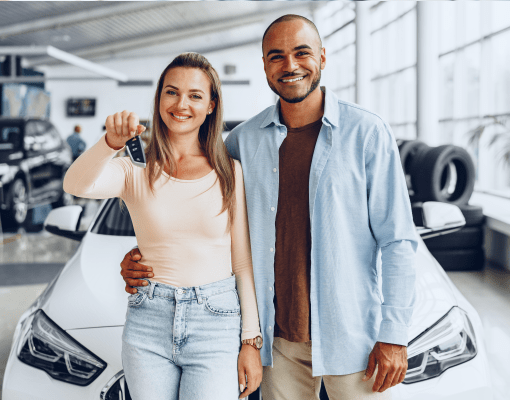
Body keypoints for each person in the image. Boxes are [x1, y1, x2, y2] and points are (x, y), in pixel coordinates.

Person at [120, 15, 418, 400]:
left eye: (301, 53)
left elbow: (398, 241)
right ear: (264, 65)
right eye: (276, 56)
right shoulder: (241, 142)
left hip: (353, 339)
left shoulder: (367, 134)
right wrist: (141, 255)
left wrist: (393, 333)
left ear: (323, 58)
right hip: (274, 347)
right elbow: (192, 212)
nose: (290, 65)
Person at [63, 53, 263, 400]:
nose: (181, 103)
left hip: (216, 322)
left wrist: (250, 341)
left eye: (195, 95)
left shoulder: (231, 172)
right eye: (171, 92)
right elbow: (76, 185)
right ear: (159, 100)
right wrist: (110, 143)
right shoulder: (134, 170)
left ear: (211, 105)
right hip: (148, 320)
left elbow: (242, 262)